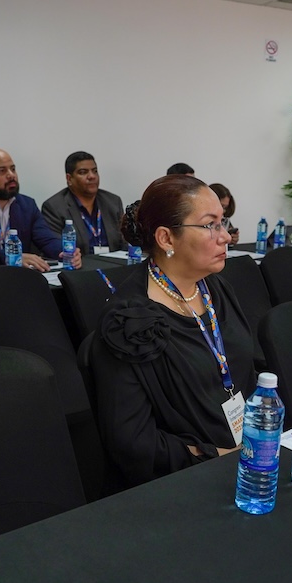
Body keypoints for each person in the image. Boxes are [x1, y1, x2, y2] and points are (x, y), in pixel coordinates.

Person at [91, 174, 255, 489]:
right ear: (166, 238)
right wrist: (222, 456)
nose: (225, 236)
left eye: (223, 222)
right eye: (210, 225)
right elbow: (133, 441)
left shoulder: (216, 289)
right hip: (183, 480)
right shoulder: (129, 322)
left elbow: (245, 372)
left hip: (244, 456)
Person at [0, 148, 82, 270]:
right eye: (1, 171)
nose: (11, 175)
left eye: (12, 169)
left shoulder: (27, 204)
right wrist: (11, 257)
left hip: (19, 277)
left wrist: (66, 252)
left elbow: (46, 240)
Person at [41, 151, 126, 255]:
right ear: (69, 179)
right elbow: (56, 247)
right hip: (80, 263)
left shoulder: (113, 202)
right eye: (83, 172)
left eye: (94, 171)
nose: (92, 176)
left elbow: (125, 242)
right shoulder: (55, 207)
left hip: (113, 262)